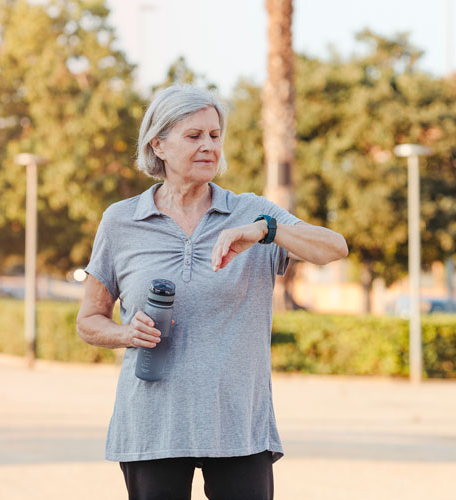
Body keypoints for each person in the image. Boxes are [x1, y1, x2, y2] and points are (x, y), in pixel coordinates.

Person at [76, 84, 348, 500]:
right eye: (193, 136)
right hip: (153, 427)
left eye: (215, 135)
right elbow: (89, 320)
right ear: (159, 145)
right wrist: (126, 334)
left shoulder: (249, 212)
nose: (209, 146)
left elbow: (334, 248)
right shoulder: (121, 221)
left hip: (238, 427)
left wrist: (266, 230)